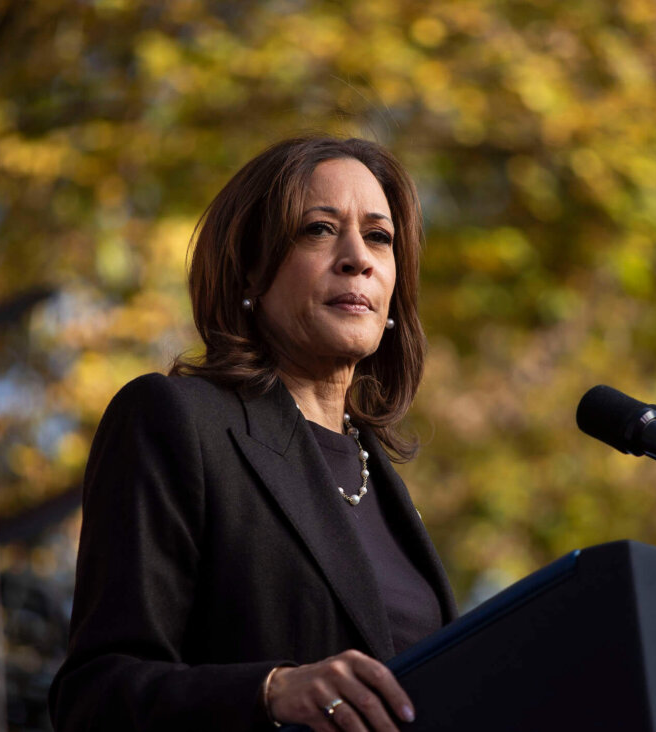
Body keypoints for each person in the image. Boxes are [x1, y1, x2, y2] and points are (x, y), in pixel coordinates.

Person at [48, 137, 458, 732]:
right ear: (250, 269)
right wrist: (269, 693)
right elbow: (95, 698)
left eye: (379, 237)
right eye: (319, 230)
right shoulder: (176, 421)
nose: (357, 258)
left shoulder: (391, 492)